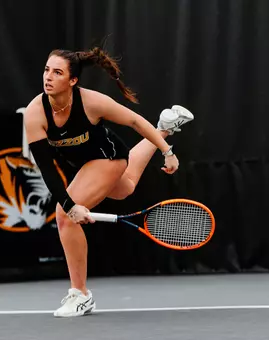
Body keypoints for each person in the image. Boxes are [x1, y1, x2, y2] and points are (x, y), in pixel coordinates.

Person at [22, 47, 194, 317]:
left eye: (57, 72)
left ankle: (80, 295)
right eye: (47, 70)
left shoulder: (91, 102)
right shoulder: (35, 113)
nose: (48, 77)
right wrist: (71, 204)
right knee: (125, 189)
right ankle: (165, 126)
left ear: (73, 81)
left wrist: (167, 152)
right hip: (88, 165)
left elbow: (135, 121)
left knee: (63, 217)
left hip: (109, 157)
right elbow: (47, 168)